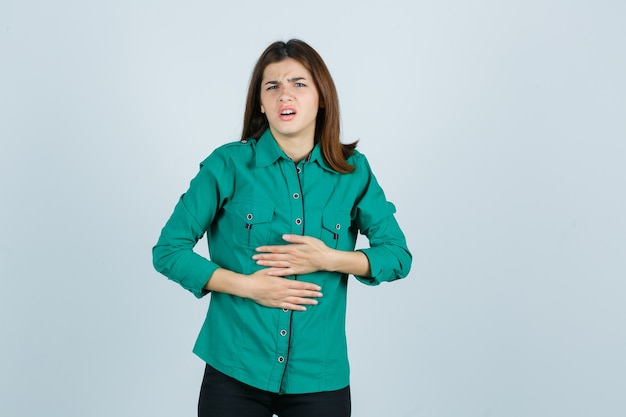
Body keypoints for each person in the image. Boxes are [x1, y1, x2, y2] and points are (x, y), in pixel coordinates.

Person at [152, 39, 412, 417]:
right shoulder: (227, 165)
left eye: (298, 84)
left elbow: (397, 256)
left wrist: (331, 259)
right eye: (272, 86)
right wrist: (247, 286)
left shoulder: (353, 171)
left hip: (319, 373)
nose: (284, 95)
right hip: (235, 367)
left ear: (321, 96)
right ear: (260, 102)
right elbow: (168, 251)